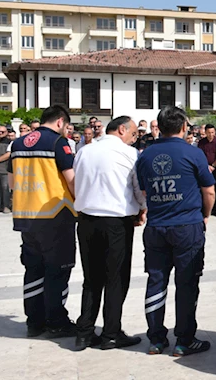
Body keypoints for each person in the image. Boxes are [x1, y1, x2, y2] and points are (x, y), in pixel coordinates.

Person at [136, 106, 215, 356]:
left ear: (159, 126)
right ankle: (184, 339)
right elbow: (209, 191)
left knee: (156, 281)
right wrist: (205, 215)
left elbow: (144, 191)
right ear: (183, 127)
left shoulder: (146, 155)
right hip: (187, 225)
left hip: (157, 226)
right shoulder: (193, 153)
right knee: (187, 283)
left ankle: (156, 339)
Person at [73, 116, 145, 351]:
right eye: (134, 134)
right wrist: (142, 209)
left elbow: (76, 182)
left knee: (91, 279)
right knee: (115, 278)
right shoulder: (129, 154)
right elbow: (137, 189)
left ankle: (84, 333)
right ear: (122, 130)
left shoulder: (84, 151)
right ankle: (111, 333)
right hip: (115, 222)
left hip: (86, 221)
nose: (134, 139)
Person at [8, 105, 78, 338]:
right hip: (55, 214)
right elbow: (71, 180)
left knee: (33, 269)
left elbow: (11, 183)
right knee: (58, 270)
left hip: (26, 215)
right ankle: (57, 321)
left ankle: (34, 322)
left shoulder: (17, 144)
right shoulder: (59, 143)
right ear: (60, 122)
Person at [197, 124, 216, 217]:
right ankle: (208, 208)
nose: (211, 134)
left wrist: (213, 165)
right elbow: (200, 155)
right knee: (207, 188)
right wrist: (206, 166)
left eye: (212, 132)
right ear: (205, 132)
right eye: (209, 132)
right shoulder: (201, 142)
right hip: (205, 168)